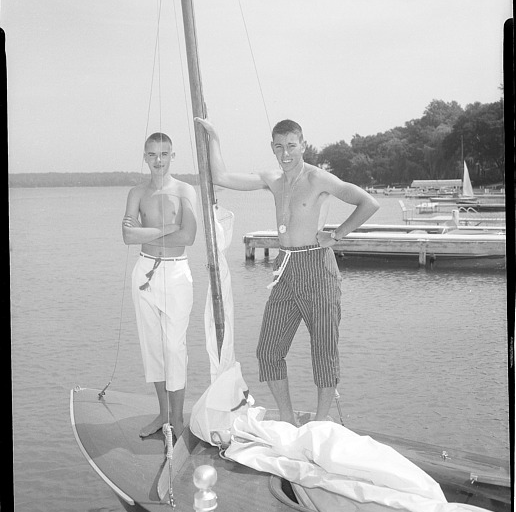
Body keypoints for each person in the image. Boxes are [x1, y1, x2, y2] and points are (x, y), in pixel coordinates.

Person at [195, 117, 379, 424]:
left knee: (323, 351)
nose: (286, 153)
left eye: (291, 146)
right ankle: (288, 418)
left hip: (318, 268)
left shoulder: (319, 179)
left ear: (303, 145)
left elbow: (368, 203)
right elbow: (221, 177)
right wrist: (214, 136)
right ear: (272, 147)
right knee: (268, 350)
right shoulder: (273, 179)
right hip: (285, 268)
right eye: (279, 147)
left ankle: (320, 421)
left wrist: (337, 235)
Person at [122, 132, 197, 439]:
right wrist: (168, 229)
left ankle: (177, 420)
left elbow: (188, 237)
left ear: (172, 156)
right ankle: (163, 414)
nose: (158, 161)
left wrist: (145, 232)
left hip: (176, 274)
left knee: (173, 347)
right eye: (152, 154)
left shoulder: (184, 190)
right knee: (152, 347)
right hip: (144, 272)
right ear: (145, 156)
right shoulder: (136, 193)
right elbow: (127, 236)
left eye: (164, 154)